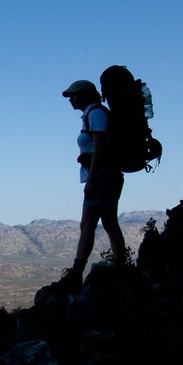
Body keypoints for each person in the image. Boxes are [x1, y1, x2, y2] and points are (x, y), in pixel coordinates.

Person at [53, 78, 127, 292]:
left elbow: (100, 148)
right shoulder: (94, 114)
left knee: (87, 225)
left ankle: (76, 274)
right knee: (110, 222)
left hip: (102, 178)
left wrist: (92, 179)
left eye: (73, 95)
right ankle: (119, 263)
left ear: (85, 94)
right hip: (107, 176)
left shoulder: (95, 114)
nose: (70, 100)